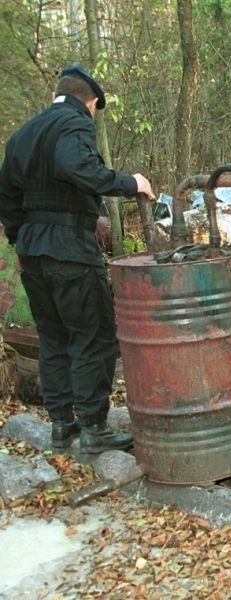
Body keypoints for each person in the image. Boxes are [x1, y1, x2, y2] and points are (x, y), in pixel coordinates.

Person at [0, 65, 155, 453]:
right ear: (89, 103)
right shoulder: (74, 123)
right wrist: (129, 183)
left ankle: (61, 424)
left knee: (53, 336)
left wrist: (23, 235)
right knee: (94, 334)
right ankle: (93, 427)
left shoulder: (22, 134)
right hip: (68, 246)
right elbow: (77, 166)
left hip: (32, 250)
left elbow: (6, 196)